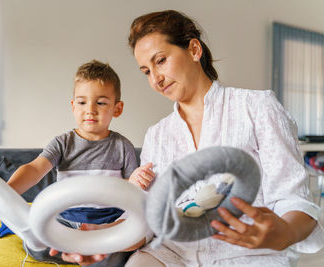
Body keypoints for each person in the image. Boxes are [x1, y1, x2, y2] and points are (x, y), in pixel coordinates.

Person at [123, 10, 324, 267]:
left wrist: (284, 232)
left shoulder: (257, 108)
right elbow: (151, 219)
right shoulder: (156, 135)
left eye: (160, 61)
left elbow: (294, 200)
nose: (155, 79)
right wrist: (98, 243)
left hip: (248, 254)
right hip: (172, 254)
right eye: (146, 71)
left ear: (194, 50)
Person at [0, 59, 155, 266]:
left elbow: (131, 189)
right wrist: (3, 192)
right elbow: (34, 169)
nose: (90, 110)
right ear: (73, 106)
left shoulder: (123, 146)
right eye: (82, 102)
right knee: (36, 245)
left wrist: (137, 180)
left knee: (121, 250)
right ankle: (76, 249)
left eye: (101, 102)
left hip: (107, 223)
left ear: (117, 108)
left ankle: (91, 250)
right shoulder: (62, 143)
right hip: (66, 220)